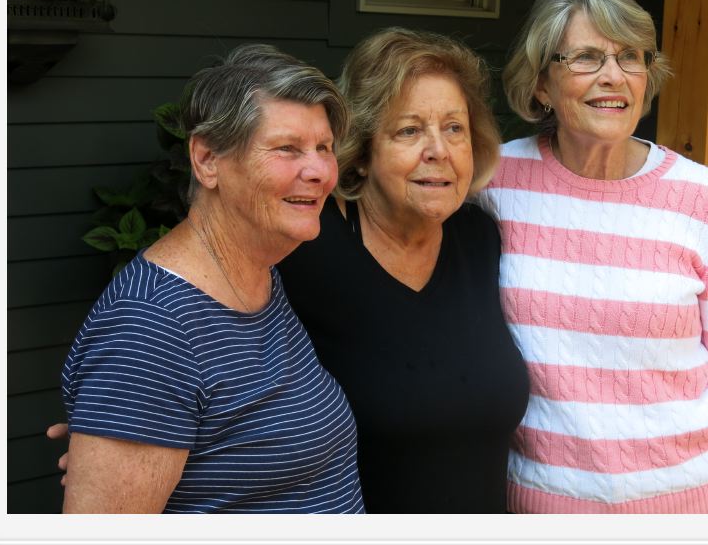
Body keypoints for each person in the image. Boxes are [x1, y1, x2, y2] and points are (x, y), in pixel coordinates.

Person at [477, 0, 708, 514]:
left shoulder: (701, 198)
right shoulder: (493, 183)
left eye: (629, 57)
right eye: (587, 58)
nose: (613, 77)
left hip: (699, 505)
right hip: (545, 507)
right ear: (541, 83)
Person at [57, 45, 365, 513]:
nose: (321, 171)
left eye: (324, 148)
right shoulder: (151, 329)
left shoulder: (258, 276)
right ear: (206, 159)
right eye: (287, 149)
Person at [278, 28, 531, 513]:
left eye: (454, 128)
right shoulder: (306, 250)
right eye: (409, 130)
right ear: (364, 149)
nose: (438, 149)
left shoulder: (481, 238)